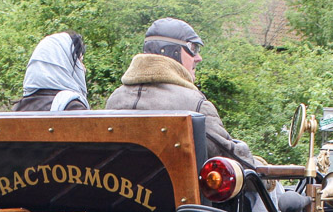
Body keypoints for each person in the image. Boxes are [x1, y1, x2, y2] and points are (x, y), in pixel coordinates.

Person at [106, 18, 254, 167]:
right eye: (193, 49)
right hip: (177, 191)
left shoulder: (115, 100)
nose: (198, 58)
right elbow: (236, 163)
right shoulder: (195, 105)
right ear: (173, 52)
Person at [12, 31, 89, 112]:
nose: (84, 69)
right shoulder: (74, 108)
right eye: (80, 61)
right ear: (65, 63)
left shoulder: (19, 108)